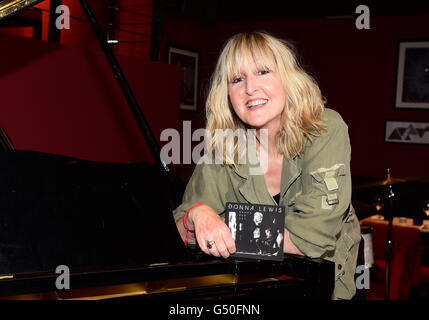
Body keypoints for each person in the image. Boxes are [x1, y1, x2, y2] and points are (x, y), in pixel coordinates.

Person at [173, 31, 361, 300]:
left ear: (287, 77)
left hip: (322, 289)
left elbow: (315, 236)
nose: (250, 88)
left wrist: (222, 226)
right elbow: (180, 228)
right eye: (237, 79)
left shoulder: (324, 128)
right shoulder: (224, 145)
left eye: (263, 72)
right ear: (227, 93)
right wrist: (197, 214)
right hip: (252, 290)